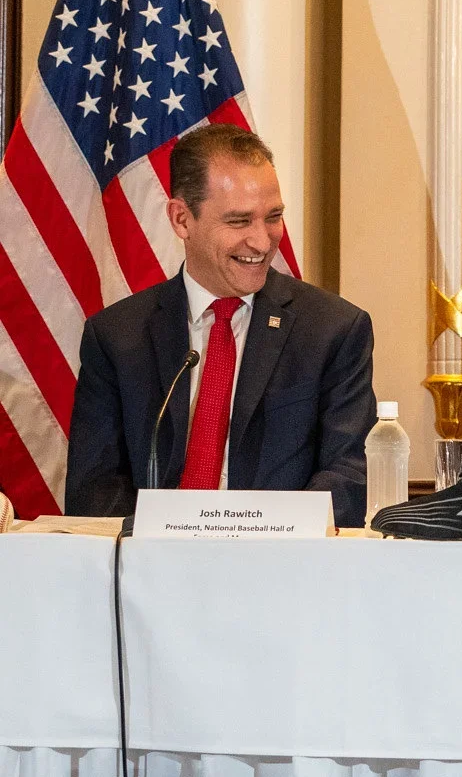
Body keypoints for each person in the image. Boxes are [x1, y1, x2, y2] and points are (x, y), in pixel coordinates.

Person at [66, 123, 378, 524]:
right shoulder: (116, 337)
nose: (263, 242)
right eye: (238, 221)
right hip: (154, 572)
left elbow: (350, 476)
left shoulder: (333, 330)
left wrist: (256, 541)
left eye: (273, 217)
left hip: (280, 569)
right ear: (181, 220)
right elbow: (94, 489)